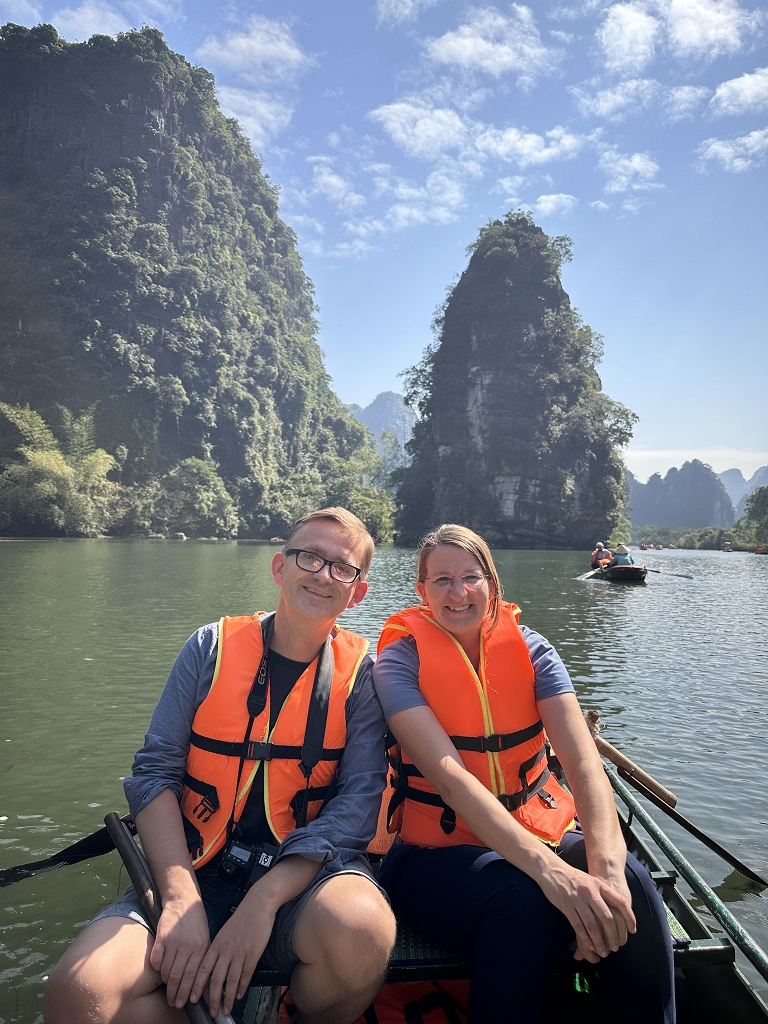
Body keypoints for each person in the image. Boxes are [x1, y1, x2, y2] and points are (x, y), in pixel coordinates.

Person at [44, 507, 397, 1024]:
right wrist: (181, 897)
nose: (322, 574)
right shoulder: (210, 647)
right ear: (280, 567)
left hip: (300, 880)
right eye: (309, 557)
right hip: (197, 869)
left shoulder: (363, 677)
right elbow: (155, 773)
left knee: (364, 931)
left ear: (357, 592)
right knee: (78, 994)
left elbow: (357, 807)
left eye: (342, 567)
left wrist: (264, 900)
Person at [373, 524, 675, 1023]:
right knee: (520, 895)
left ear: (492, 583)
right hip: (435, 854)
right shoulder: (399, 662)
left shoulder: (533, 651)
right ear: (420, 591)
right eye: (442, 579)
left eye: (470, 577)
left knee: (636, 886)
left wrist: (603, 872)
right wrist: (555, 875)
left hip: (540, 829)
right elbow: (450, 779)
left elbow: (581, 763)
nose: (458, 592)